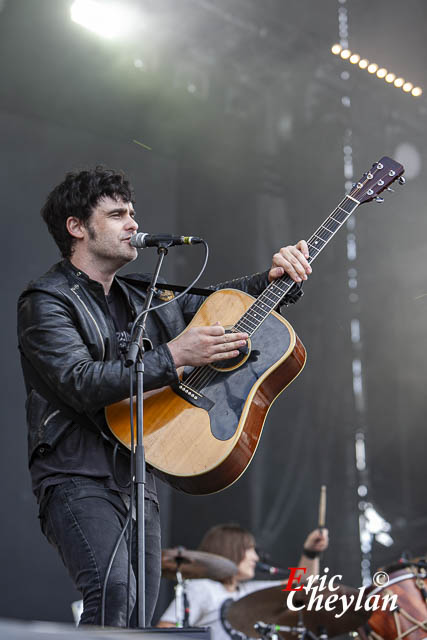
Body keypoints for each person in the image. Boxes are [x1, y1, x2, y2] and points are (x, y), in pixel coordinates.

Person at [17, 166, 313, 628]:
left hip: (139, 474)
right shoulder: (47, 299)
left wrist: (274, 279)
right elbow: (77, 381)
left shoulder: (142, 296)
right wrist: (174, 355)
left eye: (133, 213)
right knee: (114, 594)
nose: (133, 224)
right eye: (117, 215)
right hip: (75, 472)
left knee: (139, 613)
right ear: (76, 228)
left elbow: (220, 302)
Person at [158, 524, 329, 637]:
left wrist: (310, 552)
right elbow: (164, 630)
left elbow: (303, 586)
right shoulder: (202, 588)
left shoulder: (249, 590)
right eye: (249, 549)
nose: (255, 557)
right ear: (229, 549)